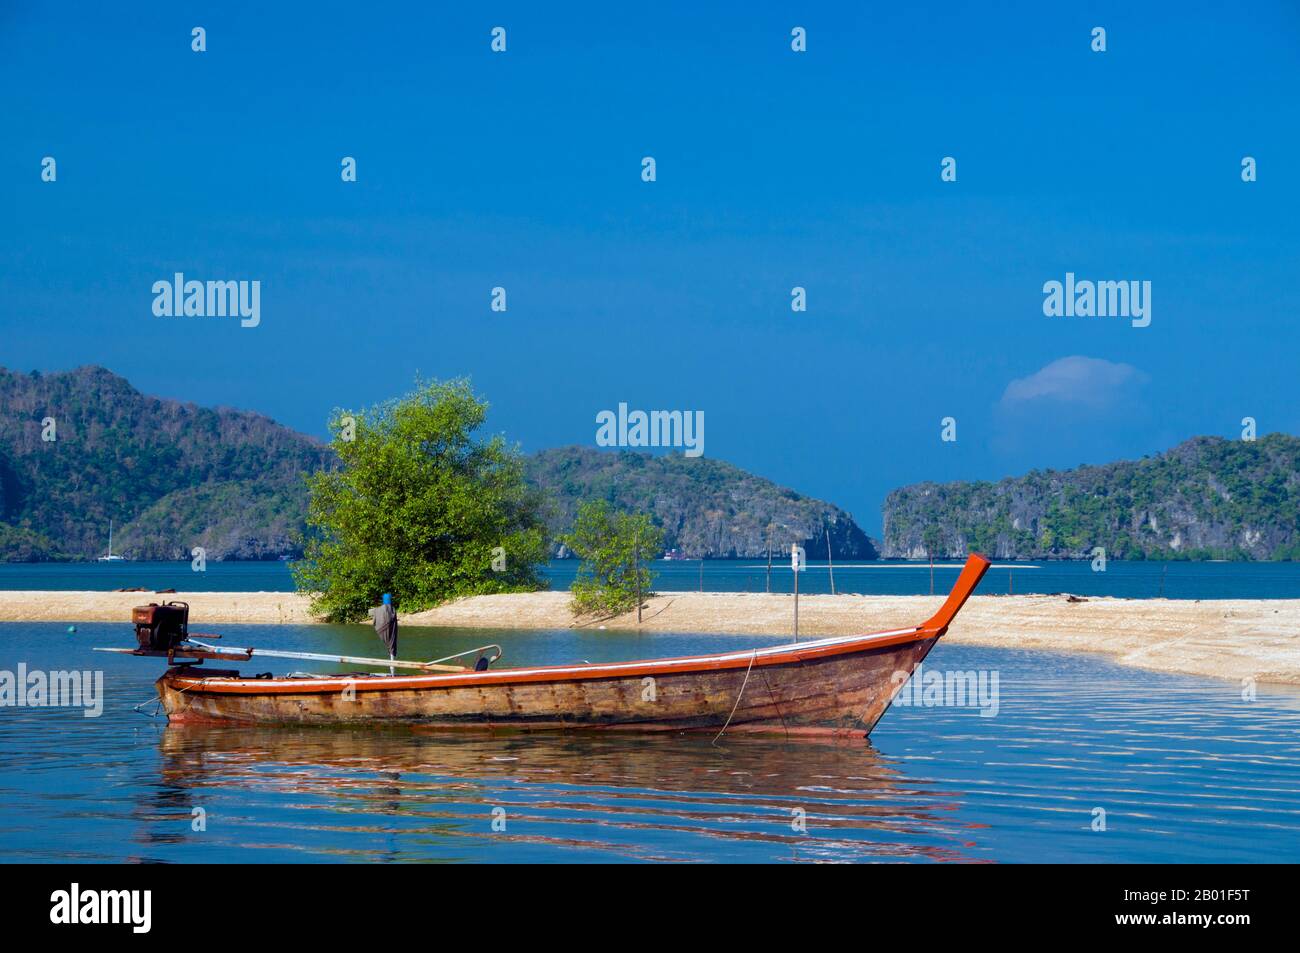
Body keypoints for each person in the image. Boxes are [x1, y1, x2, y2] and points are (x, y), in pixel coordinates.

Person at [369, 593, 398, 675]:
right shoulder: (392, 609)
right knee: (392, 648)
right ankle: (392, 674)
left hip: (384, 629)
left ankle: (392, 674)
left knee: (391, 648)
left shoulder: (380, 610)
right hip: (388, 632)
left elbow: (371, 614)